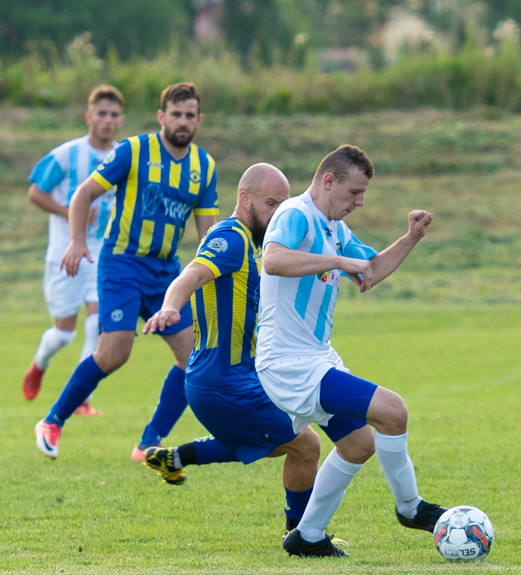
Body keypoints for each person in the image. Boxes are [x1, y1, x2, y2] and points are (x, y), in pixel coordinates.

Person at [256, 145, 445, 557]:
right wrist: (339, 261)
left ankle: (306, 537)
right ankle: (410, 508)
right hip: (288, 364)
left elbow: (370, 270)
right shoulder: (295, 214)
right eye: (355, 192)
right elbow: (272, 260)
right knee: (393, 411)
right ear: (328, 181)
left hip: (317, 358)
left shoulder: (333, 228)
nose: (359, 202)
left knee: (360, 443)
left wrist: (411, 237)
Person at [35, 82, 218, 459]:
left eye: (189, 115)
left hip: (167, 272)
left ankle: (149, 441)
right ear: (161, 116)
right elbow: (83, 193)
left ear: (198, 119)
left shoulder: (205, 167)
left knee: (193, 357)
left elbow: (208, 234)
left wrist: (211, 273)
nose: (182, 121)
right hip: (122, 262)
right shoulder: (134, 151)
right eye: (175, 114)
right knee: (115, 353)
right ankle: (52, 420)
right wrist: (78, 241)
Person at [141, 163, 322, 534]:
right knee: (306, 445)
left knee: (270, 444)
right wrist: (170, 307)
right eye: (271, 203)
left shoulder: (250, 242)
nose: (277, 214)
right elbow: (191, 274)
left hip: (224, 377)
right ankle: (302, 536)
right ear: (245, 199)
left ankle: (175, 456)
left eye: (282, 205)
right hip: (223, 380)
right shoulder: (232, 237)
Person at [21, 85, 125, 417]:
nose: (107, 121)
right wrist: (70, 211)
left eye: (113, 115)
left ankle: (80, 398)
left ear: (120, 120)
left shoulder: (124, 155)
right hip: (65, 253)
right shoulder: (67, 154)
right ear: (88, 116)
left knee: (97, 327)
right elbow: (35, 193)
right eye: (102, 114)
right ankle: (39, 364)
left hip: (103, 254)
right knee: (64, 334)